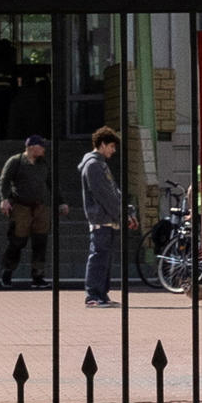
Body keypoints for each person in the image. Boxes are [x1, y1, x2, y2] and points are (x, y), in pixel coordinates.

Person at [77, 124, 130, 310]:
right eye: (112, 146)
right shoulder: (93, 165)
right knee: (98, 256)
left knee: (104, 257)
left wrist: (125, 210)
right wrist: (120, 213)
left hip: (108, 217)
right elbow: (104, 194)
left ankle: (101, 293)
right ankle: (93, 295)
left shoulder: (100, 164)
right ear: (102, 144)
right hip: (101, 218)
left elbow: (113, 191)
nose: (113, 151)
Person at [0, 136, 53, 286]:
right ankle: (8, 270)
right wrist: (4, 199)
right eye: (41, 146)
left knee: (40, 241)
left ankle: (37, 276)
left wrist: (61, 202)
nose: (44, 149)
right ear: (32, 147)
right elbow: (4, 180)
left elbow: (51, 183)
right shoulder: (16, 161)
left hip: (40, 207)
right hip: (21, 206)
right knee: (17, 240)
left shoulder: (43, 164)